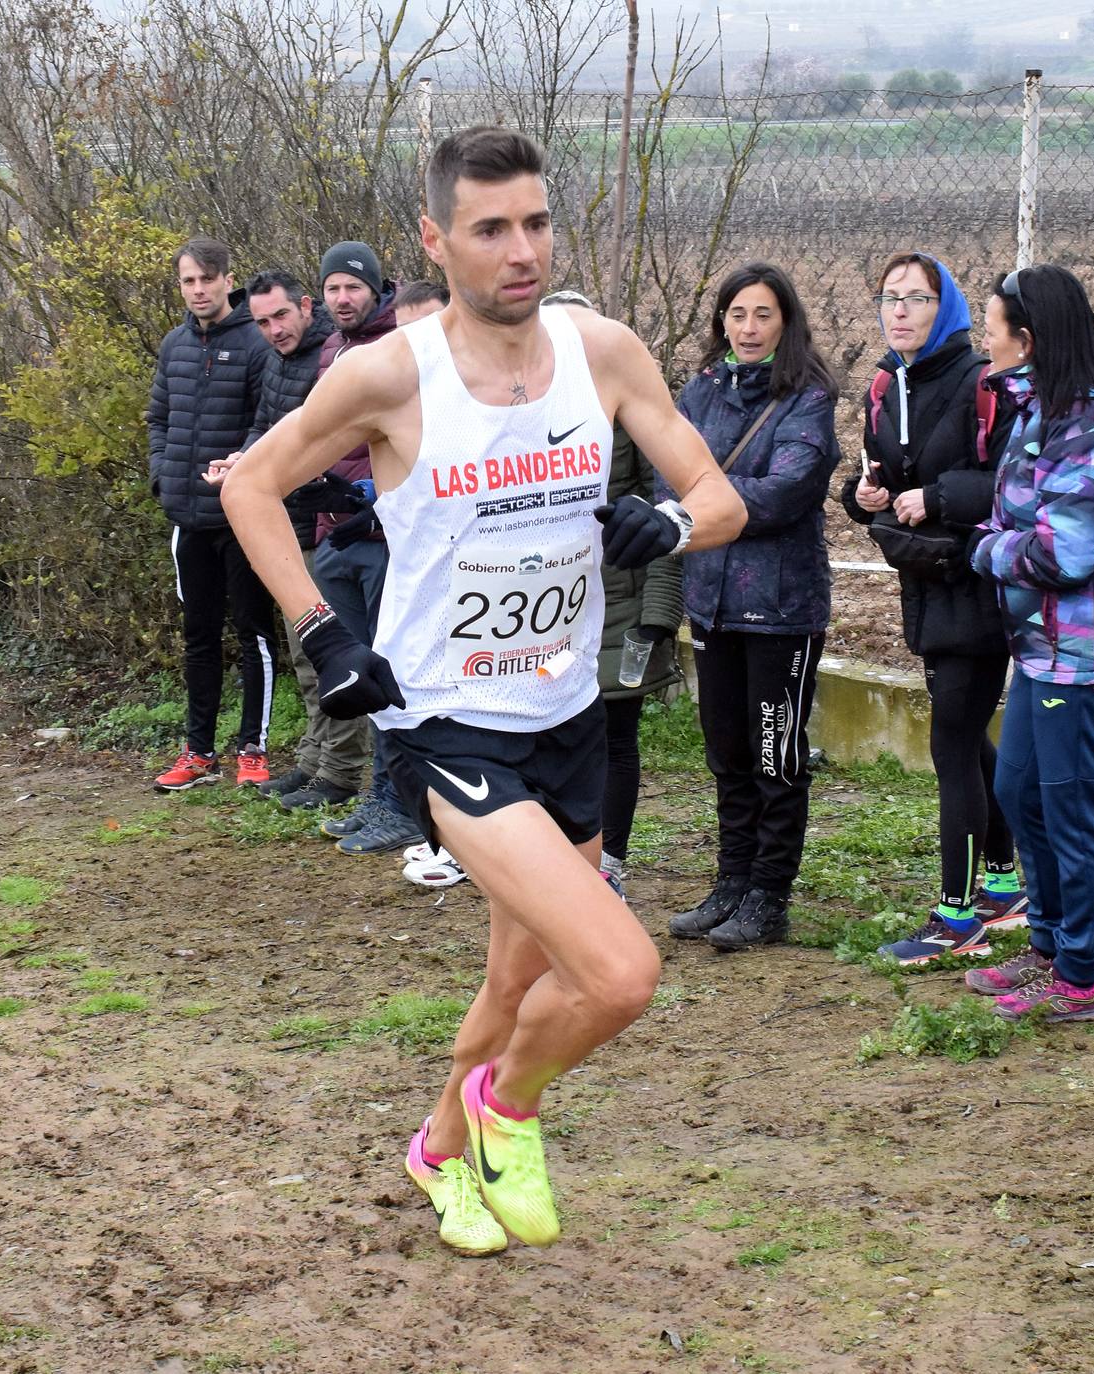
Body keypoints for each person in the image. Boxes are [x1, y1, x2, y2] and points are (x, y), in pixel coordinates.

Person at [216, 126, 745, 1255]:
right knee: (617, 971)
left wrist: (676, 523)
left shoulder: (602, 351)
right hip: (450, 721)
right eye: (492, 228)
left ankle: (438, 1149)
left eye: (538, 224)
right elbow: (252, 487)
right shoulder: (388, 376)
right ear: (437, 238)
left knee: (516, 982)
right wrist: (321, 634)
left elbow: (721, 496)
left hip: (569, 719)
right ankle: (508, 1110)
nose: (522, 251)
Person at [964, 264, 1094, 1022]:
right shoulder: (1042, 411)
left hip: (1092, 657)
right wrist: (1002, 534)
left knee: (1073, 810)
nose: (984, 343)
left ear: (1029, 339)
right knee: (1020, 795)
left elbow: (1064, 555)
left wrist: (983, 551)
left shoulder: (1091, 424)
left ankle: (1080, 976)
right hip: (1047, 652)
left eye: (992, 330)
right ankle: (1048, 945)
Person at [838, 251, 1028, 965]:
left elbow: (1015, 484)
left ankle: (958, 915)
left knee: (951, 743)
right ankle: (1005, 889)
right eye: (890, 297)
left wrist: (940, 498)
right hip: (922, 583)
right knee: (967, 734)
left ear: (943, 307)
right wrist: (862, 497)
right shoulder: (885, 386)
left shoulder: (986, 384)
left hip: (981, 584)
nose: (900, 311)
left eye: (917, 298)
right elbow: (880, 475)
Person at [664, 262, 841, 951]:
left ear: (785, 323)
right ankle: (731, 882)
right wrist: (708, 497)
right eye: (737, 314)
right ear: (721, 322)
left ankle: (770, 894)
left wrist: (704, 499)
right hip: (711, 601)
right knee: (727, 752)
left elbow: (789, 488)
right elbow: (666, 470)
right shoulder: (701, 391)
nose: (748, 328)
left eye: (763, 315)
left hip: (780, 607)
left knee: (775, 754)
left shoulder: (808, 398)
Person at [542, 290, 684, 899]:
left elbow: (667, 509)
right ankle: (551, 860)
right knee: (548, 737)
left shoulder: (633, 408)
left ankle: (610, 865)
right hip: (544, 607)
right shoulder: (516, 410)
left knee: (614, 737)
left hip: (618, 598)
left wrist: (656, 617)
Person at [305, 241, 425, 855]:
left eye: (353, 286)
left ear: (376, 289)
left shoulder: (399, 345)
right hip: (334, 539)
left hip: (383, 540)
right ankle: (382, 794)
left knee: (394, 671)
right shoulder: (333, 348)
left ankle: (403, 801)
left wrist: (370, 507)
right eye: (332, 288)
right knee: (359, 669)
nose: (342, 297)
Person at [147, 237, 276, 791]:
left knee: (254, 635)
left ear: (228, 280)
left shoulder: (255, 342)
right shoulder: (174, 345)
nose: (197, 290)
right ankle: (199, 752)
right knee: (198, 637)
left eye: (206, 279)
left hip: (242, 520)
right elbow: (157, 418)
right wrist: (162, 477)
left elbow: (266, 421)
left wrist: (239, 471)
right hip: (188, 520)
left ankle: (253, 749)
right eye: (187, 281)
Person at [240, 270, 367, 810]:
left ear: (305, 307)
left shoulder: (335, 360)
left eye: (281, 316)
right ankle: (315, 762)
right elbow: (265, 429)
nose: (273, 329)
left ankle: (339, 771)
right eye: (262, 322)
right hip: (285, 527)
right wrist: (243, 463)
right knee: (304, 656)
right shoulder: (278, 362)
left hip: (321, 525)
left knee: (328, 652)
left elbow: (325, 447)